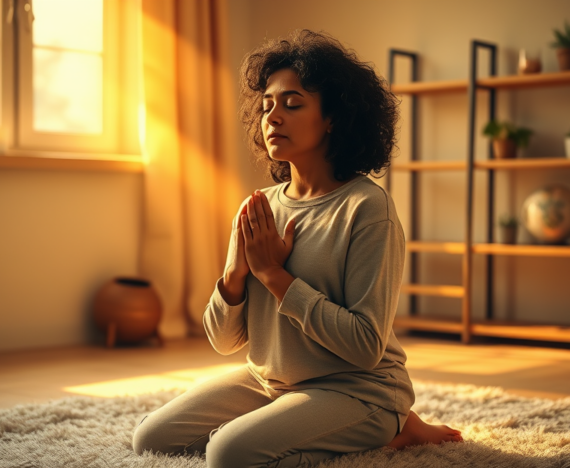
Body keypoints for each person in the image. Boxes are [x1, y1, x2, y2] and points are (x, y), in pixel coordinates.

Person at [132, 29, 462, 467]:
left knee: (228, 455)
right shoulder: (259, 207)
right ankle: (330, 428)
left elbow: (365, 346)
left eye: (292, 104)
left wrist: (274, 276)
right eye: (267, 105)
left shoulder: (367, 208)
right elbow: (224, 341)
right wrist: (235, 275)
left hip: (356, 388)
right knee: (151, 440)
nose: (273, 117)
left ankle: (391, 428)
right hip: (269, 381)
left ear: (333, 118)